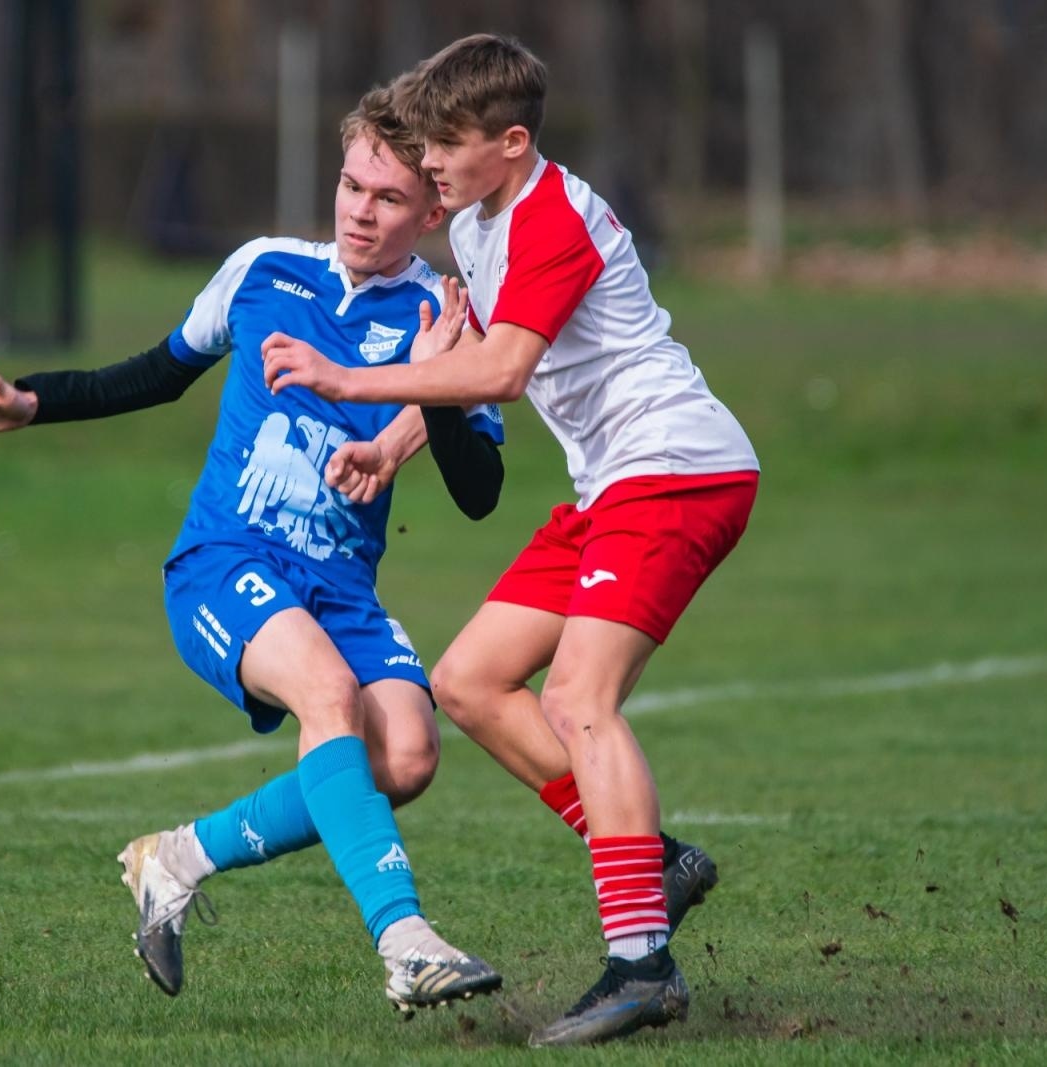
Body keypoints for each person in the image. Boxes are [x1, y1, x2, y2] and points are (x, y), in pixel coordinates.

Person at [0, 86, 509, 1016]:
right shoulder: (265, 267)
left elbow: (481, 496)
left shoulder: (450, 315)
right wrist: (34, 402)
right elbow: (156, 372)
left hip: (343, 587)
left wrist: (435, 382)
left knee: (410, 756)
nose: (360, 209)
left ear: (433, 209)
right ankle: (406, 942)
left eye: (389, 199)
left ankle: (176, 858)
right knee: (328, 697)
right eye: (352, 184)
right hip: (225, 563)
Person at [261, 35, 760, 1046]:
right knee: (470, 680)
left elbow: (497, 374)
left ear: (512, 140)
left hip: (676, 469)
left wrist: (350, 382)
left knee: (579, 697)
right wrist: (394, 443)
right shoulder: (482, 221)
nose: (430, 163)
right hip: (610, 485)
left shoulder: (551, 223)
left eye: (447, 143)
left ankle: (641, 961)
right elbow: (471, 359)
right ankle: (650, 861)